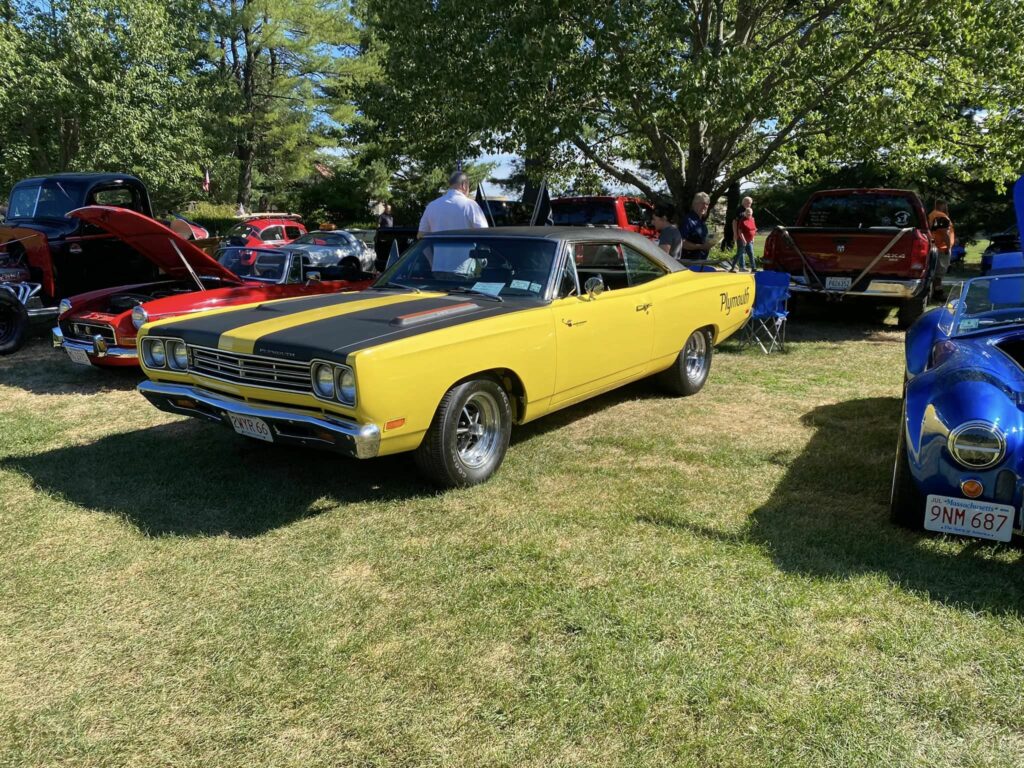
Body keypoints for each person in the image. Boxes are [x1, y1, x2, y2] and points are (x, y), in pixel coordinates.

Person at [417, 171, 488, 237]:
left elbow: (421, 235)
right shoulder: (471, 205)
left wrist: (432, 251)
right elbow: (484, 233)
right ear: (464, 185)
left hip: (439, 250)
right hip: (466, 250)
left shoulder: (431, 206)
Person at [928, 199, 955, 299]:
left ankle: (934, 291)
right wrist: (948, 247)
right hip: (941, 247)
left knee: (935, 271)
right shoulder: (941, 216)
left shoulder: (932, 214)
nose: (946, 208)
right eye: (945, 205)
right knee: (939, 271)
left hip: (935, 246)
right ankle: (938, 292)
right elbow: (945, 233)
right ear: (941, 205)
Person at [680, 192, 715, 258]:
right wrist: (701, 247)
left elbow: (703, 241)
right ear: (695, 204)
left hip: (701, 262)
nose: (705, 206)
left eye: (707, 204)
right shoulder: (688, 220)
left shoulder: (702, 223)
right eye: (702, 203)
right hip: (688, 262)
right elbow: (681, 242)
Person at [733, 206, 757, 271]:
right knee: (740, 254)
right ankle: (733, 267)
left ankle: (753, 268)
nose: (749, 214)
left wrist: (753, 238)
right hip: (742, 240)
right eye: (747, 212)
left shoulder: (752, 219)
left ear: (752, 213)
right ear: (745, 213)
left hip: (750, 240)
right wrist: (744, 240)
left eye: (750, 212)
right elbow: (740, 232)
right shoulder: (742, 220)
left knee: (751, 254)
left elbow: (754, 229)